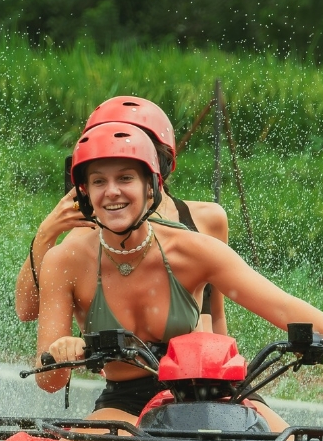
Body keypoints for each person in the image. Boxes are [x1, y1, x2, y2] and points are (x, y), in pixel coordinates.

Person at [36, 122, 323, 425]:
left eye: (125, 178)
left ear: (150, 187)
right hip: (126, 402)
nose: (112, 191)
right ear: (85, 195)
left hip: (217, 394)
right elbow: (48, 381)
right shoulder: (64, 261)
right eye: (98, 181)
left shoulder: (191, 250)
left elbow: (278, 304)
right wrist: (63, 355)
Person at [15, 96, 230, 333]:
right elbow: (27, 310)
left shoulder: (207, 219)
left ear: (160, 163)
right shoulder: (88, 235)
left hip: (200, 366)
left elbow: (216, 316)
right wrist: (48, 231)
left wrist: (227, 363)